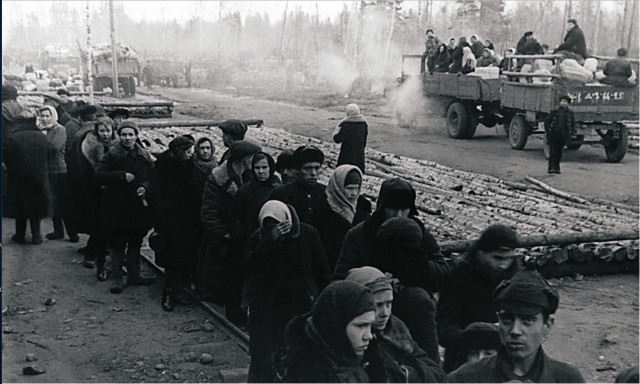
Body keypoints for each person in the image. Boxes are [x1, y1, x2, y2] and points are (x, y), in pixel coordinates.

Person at [334, 178, 449, 362]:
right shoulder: (360, 234)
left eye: (404, 209)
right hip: (369, 307)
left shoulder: (417, 232)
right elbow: (340, 279)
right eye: (392, 209)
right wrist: (374, 280)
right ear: (381, 208)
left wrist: (416, 260)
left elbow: (443, 273)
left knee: (419, 300)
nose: (399, 215)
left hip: (413, 309)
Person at [446, 266, 585, 382]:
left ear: (547, 325)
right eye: (507, 320)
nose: (515, 330)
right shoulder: (464, 378)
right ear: (498, 320)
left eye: (527, 321)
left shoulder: (567, 379)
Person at [243, 200, 330, 382]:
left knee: (297, 356)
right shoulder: (257, 238)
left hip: (299, 305)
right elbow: (249, 268)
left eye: (279, 224)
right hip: (266, 310)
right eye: (270, 226)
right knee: (264, 359)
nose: (276, 229)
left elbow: (321, 270)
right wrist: (269, 242)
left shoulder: (307, 234)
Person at [437, 224, 524, 372]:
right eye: (497, 258)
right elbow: (444, 327)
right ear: (480, 253)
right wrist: (473, 336)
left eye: (508, 259)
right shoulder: (459, 277)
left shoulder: (518, 279)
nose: (503, 265)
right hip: (465, 356)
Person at [345, 267, 447, 383]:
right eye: (377, 305)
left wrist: (405, 374)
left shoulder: (395, 328)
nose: (385, 313)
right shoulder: (353, 340)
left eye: (389, 303)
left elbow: (437, 373)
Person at [199, 140, 261, 326]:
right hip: (227, 236)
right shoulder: (217, 179)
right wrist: (222, 236)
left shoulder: (253, 176)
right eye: (252, 158)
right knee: (229, 279)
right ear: (244, 160)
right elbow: (209, 213)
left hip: (247, 235)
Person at [280, 280, 391, 383]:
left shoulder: (370, 360)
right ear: (336, 325)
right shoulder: (300, 373)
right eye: (361, 325)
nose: (369, 336)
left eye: (370, 325)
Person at [95, 120, 156, 294]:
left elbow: (152, 176)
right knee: (118, 242)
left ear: (137, 135)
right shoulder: (112, 155)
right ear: (119, 136)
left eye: (131, 134)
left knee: (136, 240)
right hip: (117, 206)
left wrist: (145, 186)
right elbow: (98, 175)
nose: (128, 138)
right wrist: (120, 175)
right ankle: (117, 278)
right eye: (124, 134)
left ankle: (134, 275)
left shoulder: (143, 155)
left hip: (137, 206)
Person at [149, 136, 203, 311]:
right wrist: (163, 219)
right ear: (178, 152)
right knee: (172, 259)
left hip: (189, 222)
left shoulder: (189, 166)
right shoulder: (162, 169)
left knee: (187, 256)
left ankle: (184, 290)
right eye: (188, 152)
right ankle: (169, 292)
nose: (191, 155)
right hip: (169, 223)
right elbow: (156, 196)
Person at [66, 116, 118, 275]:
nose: (105, 134)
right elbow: (84, 170)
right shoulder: (89, 146)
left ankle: (100, 250)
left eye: (108, 131)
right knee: (97, 222)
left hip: (113, 189)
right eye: (102, 131)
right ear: (97, 131)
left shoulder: (117, 145)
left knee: (109, 223)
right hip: (93, 189)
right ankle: (91, 254)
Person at [305, 165, 371, 271]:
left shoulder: (362, 209)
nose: (354, 193)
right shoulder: (319, 211)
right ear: (338, 187)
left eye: (357, 188)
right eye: (349, 188)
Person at [4, 112, 51, 245]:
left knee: (20, 207)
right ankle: (36, 236)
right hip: (38, 177)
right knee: (35, 207)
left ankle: (20, 235)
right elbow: (49, 154)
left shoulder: (13, 137)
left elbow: (6, 156)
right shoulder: (42, 137)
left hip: (18, 178)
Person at [38, 105, 78, 243]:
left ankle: (73, 234)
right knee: (53, 203)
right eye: (42, 116)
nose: (44, 118)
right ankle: (58, 231)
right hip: (46, 170)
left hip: (59, 171)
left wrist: (42, 139)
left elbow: (54, 147)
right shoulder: (41, 130)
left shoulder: (60, 129)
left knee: (64, 204)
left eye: (47, 116)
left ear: (53, 116)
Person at [232, 152, 282, 246]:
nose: (261, 171)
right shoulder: (245, 190)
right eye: (257, 168)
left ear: (270, 167)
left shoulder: (278, 189)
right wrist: (242, 236)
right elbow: (235, 215)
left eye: (264, 167)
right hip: (249, 241)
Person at [269, 145, 326, 221]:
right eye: (307, 168)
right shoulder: (280, 193)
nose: (313, 173)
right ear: (298, 169)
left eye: (317, 168)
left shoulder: (326, 193)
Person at [333, 103, 368, 173]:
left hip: (346, 156)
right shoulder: (364, 124)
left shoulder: (346, 125)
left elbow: (337, 139)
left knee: (344, 174)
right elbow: (364, 142)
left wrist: (337, 129)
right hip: (359, 157)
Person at [545, 95, 575, 174]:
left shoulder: (570, 113)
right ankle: (551, 168)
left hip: (563, 135)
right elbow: (547, 122)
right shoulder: (555, 111)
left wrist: (570, 134)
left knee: (559, 152)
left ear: (568, 103)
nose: (563, 103)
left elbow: (572, 124)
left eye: (565, 101)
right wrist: (549, 131)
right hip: (554, 135)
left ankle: (557, 168)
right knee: (552, 152)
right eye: (562, 101)